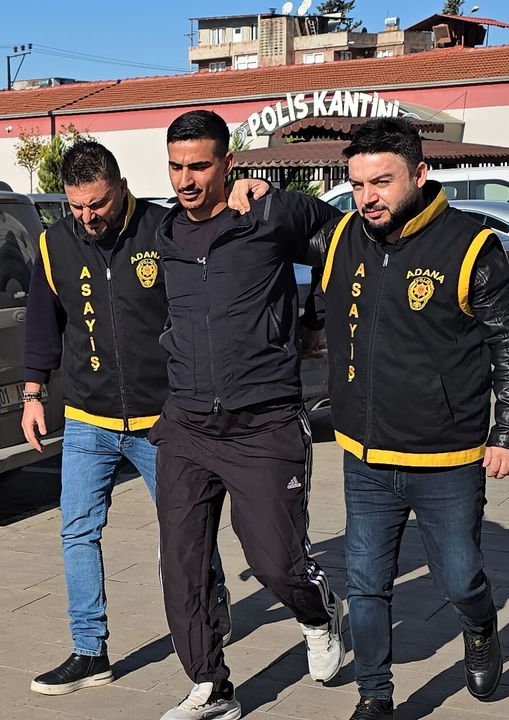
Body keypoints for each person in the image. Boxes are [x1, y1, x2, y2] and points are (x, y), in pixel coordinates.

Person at [306, 118, 509, 720]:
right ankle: (374, 696)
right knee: (366, 583)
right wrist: (252, 191)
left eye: (382, 182)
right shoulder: (343, 237)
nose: (367, 198)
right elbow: (292, 232)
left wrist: (508, 432)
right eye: (357, 185)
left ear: (420, 174)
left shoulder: (471, 245)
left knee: (459, 578)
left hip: (446, 457)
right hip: (366, 456)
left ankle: (480, 627)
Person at [21, 140, 265, 697]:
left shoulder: (163, 229)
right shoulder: (54, 243)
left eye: (98, 204)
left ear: (122, 187)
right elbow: (42, 321)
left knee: (187, 531)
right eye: (76, 206)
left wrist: (251, 195)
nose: (87, 217)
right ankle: (90, 650)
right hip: (88, 417)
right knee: (77, 530)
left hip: (165, 419)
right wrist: (33, 392)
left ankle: (210, 606)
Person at [150, 109, 345, 720]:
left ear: (228, 163)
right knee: (182, 566)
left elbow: (339, 235)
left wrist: (314, 318)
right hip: (187, 424)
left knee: (274, 562)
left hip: (264, 421)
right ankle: (211, 687)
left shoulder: (265, 215)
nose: (186, 180)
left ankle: (320, 613)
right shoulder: (162, 233)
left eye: (199, 166)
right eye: (176, 167)